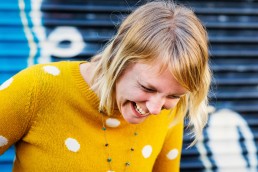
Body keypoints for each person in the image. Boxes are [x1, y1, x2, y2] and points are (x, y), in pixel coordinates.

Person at [0, 1, 211, 171]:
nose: (156, 108)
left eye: (174, 95)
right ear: (118, 60)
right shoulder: (38, 88)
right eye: (148, 88)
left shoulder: (168, 114)